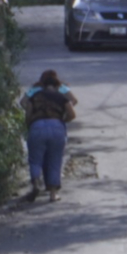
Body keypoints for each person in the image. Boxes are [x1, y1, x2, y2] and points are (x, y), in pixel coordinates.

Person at [21, 70, 77, 202]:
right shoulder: (61, 95)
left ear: (42, 83)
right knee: (55, 161)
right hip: (57, 127)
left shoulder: (35, 94)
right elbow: (72, 112)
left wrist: (31, 124)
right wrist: (62, 118)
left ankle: (35, 181)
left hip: (37, 126)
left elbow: (27, 111)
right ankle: (53, 194)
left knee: (35, 159)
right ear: (57, 82)